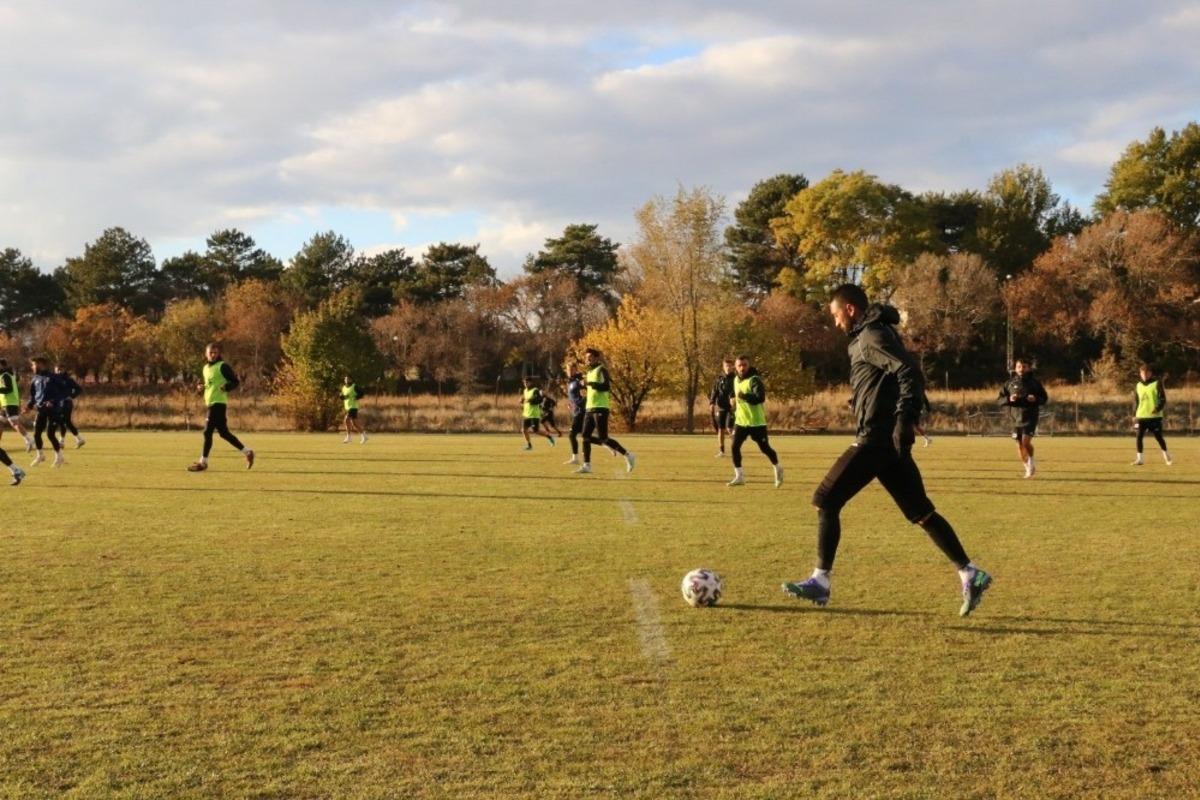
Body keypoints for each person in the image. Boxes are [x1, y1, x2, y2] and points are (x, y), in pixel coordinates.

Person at [782, 284, 992, 617]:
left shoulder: (871, 335)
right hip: (889, 442)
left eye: (836, 316)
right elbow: (891, 379)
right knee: (921, 512)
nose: (836, 323)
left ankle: (820, 581)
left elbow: (909, 371)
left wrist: (905, 417)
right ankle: (970, 573)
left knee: (826, 499)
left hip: (876, 440)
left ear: (850, 309)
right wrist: (867, 402)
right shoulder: (872, 334)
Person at [187, 343, 254, 472]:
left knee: (207, 432)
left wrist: (226, 387)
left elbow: (235, 381)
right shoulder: (205, 368)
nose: (213, 355)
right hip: (210, 403)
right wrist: (201, 388)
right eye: (210, 353)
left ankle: (203, 462)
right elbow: (209, 384)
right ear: (206, 354)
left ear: (219, 354)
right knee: (224, 433)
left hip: (218, 403)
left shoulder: (222, 366)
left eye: (215, 353)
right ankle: (248, 452)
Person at [575, 348, 634, 474]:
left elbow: (606, 386)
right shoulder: (589, 372)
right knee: (585, 436)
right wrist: (584, 388)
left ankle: (628, 455)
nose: (587, 359)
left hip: (601, 407)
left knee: (603, 438)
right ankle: (587, 465)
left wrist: (590, 384)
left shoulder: (601, 370)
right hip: (589, 408)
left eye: (590, 357)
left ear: (596, 358)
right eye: (586, 357)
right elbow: (592, 389)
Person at [727, 355, 783, 488]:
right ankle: (739, 476)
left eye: (744, 365)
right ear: (736, 367)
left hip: (756, 422)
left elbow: (760, 398)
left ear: (749, 365)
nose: (742, 368)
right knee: (734, 447)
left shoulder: (754, 380)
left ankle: (778, 468)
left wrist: (744, 396)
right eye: (739, 365)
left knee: (765, 448)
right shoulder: (735, 380)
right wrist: (732, 398)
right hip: (741, 421)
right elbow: (734, 392)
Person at [998, 357, 1048, 478]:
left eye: (1024, 367)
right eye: (1019, 367)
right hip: (1015, 418)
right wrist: (1009, 399)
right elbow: (999, 400)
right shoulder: (1009, 383)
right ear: (1015, 368)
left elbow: (1044, 398)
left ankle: (1031, 460)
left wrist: (1035, 399)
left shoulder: (1035, 383)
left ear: (1029, 368)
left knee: (1026, 442)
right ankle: (1027, 468)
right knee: (1019, 444)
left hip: (1030, 416)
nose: (1021, 369)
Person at [26, 357, 68, 467]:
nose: (32, 367)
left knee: (50, 434)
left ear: (40, 364)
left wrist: (53, 401)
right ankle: (40, 455)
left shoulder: (54, 377)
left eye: (34, 365)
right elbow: (33, 396)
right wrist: (29, 406)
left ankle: (59, 457)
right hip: (41, 410)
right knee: (36, 434)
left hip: (54, 410)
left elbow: (64, 391)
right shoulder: (35, 379)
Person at [1131, 364, 1171, 466]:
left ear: (1150, 373)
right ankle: (1139, 459)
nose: (1144, 375)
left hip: (1154, 417)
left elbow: (1162, 399)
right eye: (1142, 373)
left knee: (1158, 437)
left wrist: (1157, 408)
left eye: (1146, 373)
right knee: (1138, 436)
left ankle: (1166, 455)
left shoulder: (1157, 383)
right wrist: (1134, 414)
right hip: (1141, 416)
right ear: (1140, 374)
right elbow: (1136, 401)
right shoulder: (1138, 385)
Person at [0, 359, 34, 452]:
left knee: (14, 423)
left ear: (2, 365)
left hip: (10, 402)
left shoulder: (5, 375)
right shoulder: (6, 375)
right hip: (6, 403)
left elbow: (9, 389)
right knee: (0, 422)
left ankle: (29, 439)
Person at [519, 375, 556, 450]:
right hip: (526, 414)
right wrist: (522, 400)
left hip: (534, 414)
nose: (525, 384)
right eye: (524, 382)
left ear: (531, 382)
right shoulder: (525, 391)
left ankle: (549, 437)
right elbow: (525, 400)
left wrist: (530, 400)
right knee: (523, 430)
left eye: (527, 382)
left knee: (536, 431)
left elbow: (539, 400)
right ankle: (529, 445)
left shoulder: (535, 390)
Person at [53, 365, 86, 449]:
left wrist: (71, 396)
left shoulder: (68, 379)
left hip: (66, 403)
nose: (59, 371)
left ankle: (61, 441)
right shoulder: (54, 380)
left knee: (62, 421)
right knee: (66, 422)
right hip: (58, 403)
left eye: (60, 369)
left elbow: (78, 389)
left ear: (63, 370)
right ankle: (79, 439)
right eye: (57, 370)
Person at [708, 359, 735, 457]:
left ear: (733, 367)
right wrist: (712, 402)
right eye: (726, 366)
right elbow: (714, 391)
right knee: (721, 429)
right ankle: (721, 451)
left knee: (729, 428)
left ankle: (735, 447)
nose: (728, 368)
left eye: (730, 366)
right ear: (723, 367)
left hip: (731, 408)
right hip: (720, 407)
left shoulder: (736, 379)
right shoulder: (719, 379)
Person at [563, 371, 587, 465]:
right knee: (586, 436)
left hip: (580, 412)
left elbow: (587, 392)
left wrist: (580, 403)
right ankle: (606, 443)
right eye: (568, 369)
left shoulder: (578, 380)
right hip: (576, 411)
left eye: (571, 369)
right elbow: (572, 396)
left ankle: (575, 458)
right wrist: (571, 404)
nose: (569, 371)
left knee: (571, 435)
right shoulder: (570, 382)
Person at [340, 376, 367, 444]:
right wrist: (342, 397)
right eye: (345, 379)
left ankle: (349, 437)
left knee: (346, 419)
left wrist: (357, 397)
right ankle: (364, 436)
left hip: (353, 406)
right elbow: (343, 396)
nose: (347, 380)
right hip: (347, 407)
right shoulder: (344, 388)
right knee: (354, 423)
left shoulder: (354, 386)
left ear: (351, 379)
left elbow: (362, 393)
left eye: (348, 379)